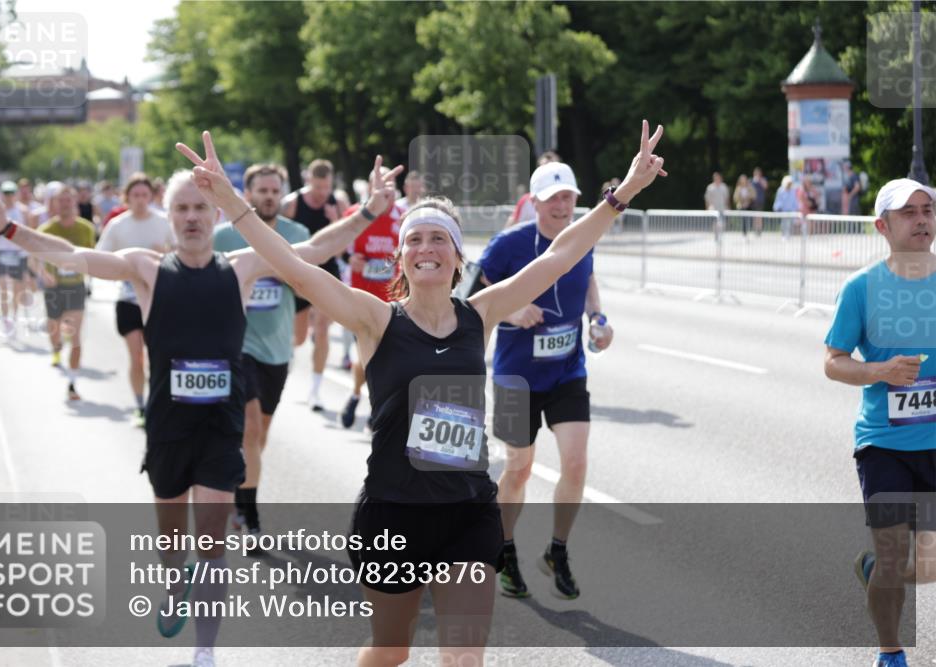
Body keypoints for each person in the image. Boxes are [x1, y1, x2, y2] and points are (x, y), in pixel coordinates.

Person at [176, 122, 665, 667]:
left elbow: (560, 256)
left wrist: (623, 195)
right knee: (391, 651)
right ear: (401, 259)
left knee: (463, 658)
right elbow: (292, 266)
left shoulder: (479, 314)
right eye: (414, 239)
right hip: (394, 513)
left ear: (457, 258)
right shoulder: (374, 318)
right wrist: (230, 201)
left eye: (439, 239)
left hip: (467, 512)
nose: (425, 248)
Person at [0, 159, 397, 667]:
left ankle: (205, 650)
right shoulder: (145, 268)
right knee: (173, 546)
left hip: (221, 425)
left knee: (212, 538)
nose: (191, 217)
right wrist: (7, 228)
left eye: (200, 207)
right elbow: (72, 255)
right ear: (168, 217)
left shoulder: (243, 265)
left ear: (215, 213)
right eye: (181, 209)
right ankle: (175, 581)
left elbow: (314, 251)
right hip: (168, 427)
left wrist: (370, 209)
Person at [478, 161, 615, 600]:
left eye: (568, 197)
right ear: (534, 203)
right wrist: (511, 310)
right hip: (516, 375)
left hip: (567, 369)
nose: (562, 205)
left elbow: (588, 277)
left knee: (576, 463)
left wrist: (598, 317)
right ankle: (505, 548)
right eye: (553, 198)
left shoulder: (583, 236)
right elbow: (476, 298)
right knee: (518, 468)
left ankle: (558, 549)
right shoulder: (508, 245)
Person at [824, 178, 935, 667]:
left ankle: (876, 569)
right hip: (884, 443)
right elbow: (834, 361)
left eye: (928, 209)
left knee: (922, 567)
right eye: (909, 212)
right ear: (883, 226)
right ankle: (891, 653)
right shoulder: (862, 289)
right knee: (894, 559)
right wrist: (879, 372)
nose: (922, 220)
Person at [211, 163, 312, 540]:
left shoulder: (297, 234)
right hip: (237, 346)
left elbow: (307, 288)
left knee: (259, 435)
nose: (269, 196)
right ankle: (249, 515)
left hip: (277, 349)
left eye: (275, 190)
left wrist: (300, 331)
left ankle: (241, 486)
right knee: (250, 428)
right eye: (262, 190)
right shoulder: (223, 237)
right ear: (248, 194)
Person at [96, 173, 174, 426]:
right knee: (136, 357)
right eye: (135, 195)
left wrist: (164, 254)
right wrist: (123, 264)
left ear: (152, 196)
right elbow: (101, 258)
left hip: (159, 299)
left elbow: (183, 255)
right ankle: (140, 405)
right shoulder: (117, 225)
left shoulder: (165, 222)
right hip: (128, 299)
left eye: (144, 195)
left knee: (156, 358)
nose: (140, 200)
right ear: (126, 197)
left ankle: (157, 403)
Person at [338, 170, 404, 429]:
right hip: (360, 297)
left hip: (392, 299)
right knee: (368, 357)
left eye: (389, 190)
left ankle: (377, 408)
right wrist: (348, 260)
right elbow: (337, 247)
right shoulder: (355, 214)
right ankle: (357, 394)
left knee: (386, 358)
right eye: (379, 189)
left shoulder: (401, 217)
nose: (385, 195)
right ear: (369, 188)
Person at [281, 158, 343, 411]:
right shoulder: (292, 204)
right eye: (318, 188)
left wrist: (335, 220)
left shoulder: (337, 204)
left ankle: (315, 391)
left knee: (322, 328)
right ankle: (286, 357)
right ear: (309, 182)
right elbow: (279, 243)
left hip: (327, 271)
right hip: (298, 271)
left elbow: (342, 248)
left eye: (326, 188)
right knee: (298, 338)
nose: (322, 193)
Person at [37, 185, 96, 400]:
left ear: (75, 203)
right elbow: (35, 258)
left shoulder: (86, 229)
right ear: (54, 204)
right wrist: (43, 273)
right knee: (54, 328)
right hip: (54, 287)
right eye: (61, 201)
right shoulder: (46, 230)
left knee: (75, 335)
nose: (65, 204)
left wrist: (88, 273)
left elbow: (93, 257)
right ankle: (55, 350)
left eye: (69, 200)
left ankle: (72, 383)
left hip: (75, 287)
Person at [0, 181, 31, 335]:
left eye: (11, 193)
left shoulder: (23, 211)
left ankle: (14, 316)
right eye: (5, 193)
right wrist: (1, 230)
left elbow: (28, 233)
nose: (8, 196)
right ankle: (5, 318)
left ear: (15, 194)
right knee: (3, 288)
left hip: (17, 254)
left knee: (17, 289)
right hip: (1, 252)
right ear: (2, 194)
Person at [506, 151, 561, 228]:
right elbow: (509, 229)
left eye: (552, 169)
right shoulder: (526, 201)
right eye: (543, 168)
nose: (547, 173)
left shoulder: (565, 202)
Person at [772, 175, 800, 239]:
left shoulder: (793, 190)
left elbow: (795, 200)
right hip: (783, 210)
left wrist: (797, 208)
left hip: (791, 211)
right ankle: (784, 235)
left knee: (791, 224)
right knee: (783, 223)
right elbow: (778, 200)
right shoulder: (780, 190)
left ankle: (789, 235)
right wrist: (777, 207)